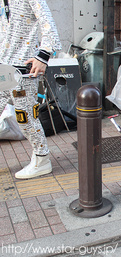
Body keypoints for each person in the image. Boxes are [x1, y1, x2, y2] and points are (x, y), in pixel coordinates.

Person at [0, 0, 61, 179]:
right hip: (3, 66)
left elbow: (48, 22)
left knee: (26, 118)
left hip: (22, 68)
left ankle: (42, 160)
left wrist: (43, 55)